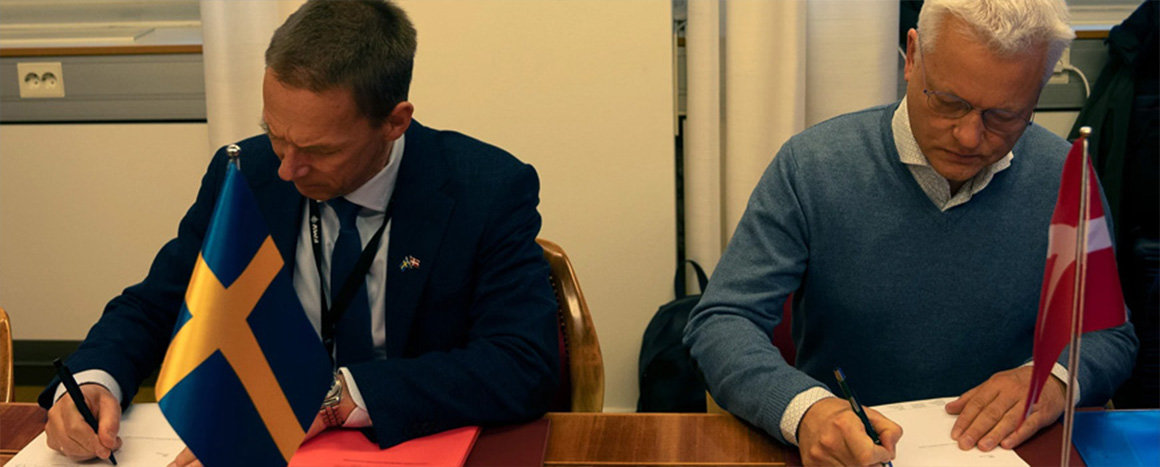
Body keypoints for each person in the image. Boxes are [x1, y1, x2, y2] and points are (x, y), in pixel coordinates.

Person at [39, 1, 560, 464]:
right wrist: (91, 381)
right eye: (275, 134)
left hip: (409, 444)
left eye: (319, 150)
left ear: (394, 122)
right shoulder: (247, 174)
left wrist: (339, 398)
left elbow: (524, 363)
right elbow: (156, 305)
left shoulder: (485, 190)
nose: (288, 169)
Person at [683, 0, 1139, 465]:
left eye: (1004, 116)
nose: (968, 136)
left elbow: (1109, 332)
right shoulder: (813, 167)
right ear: (913, 55)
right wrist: (806, 411)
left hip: (1006, 452)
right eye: (949, 102)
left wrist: (1056, 380)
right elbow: (723, 321)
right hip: (851, 452)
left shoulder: (1064, 176)